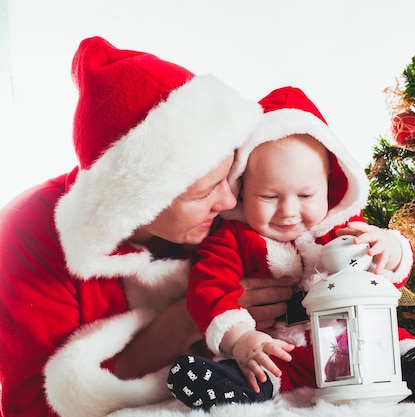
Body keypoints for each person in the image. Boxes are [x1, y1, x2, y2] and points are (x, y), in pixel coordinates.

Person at [0, 37, 296, 417]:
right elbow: (34, 407)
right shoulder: (25, 236)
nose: (227, 202)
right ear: (139, 201)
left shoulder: (231, 206)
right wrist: (195, 314)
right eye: (205, 192)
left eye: (230, 176)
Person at [167, 86, 415, 410]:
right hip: (283, 351)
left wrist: (390, 248)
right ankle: (230, 386)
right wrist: (241, 340)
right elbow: (209, 290)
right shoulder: (232, 239)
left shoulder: (342, 227)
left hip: (362, 342)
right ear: (241, 188)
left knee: (397, 348)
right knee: (257, 369)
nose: (288, 211)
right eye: (269, 196)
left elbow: (383, 277)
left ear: (330, 182)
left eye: (306, 195)